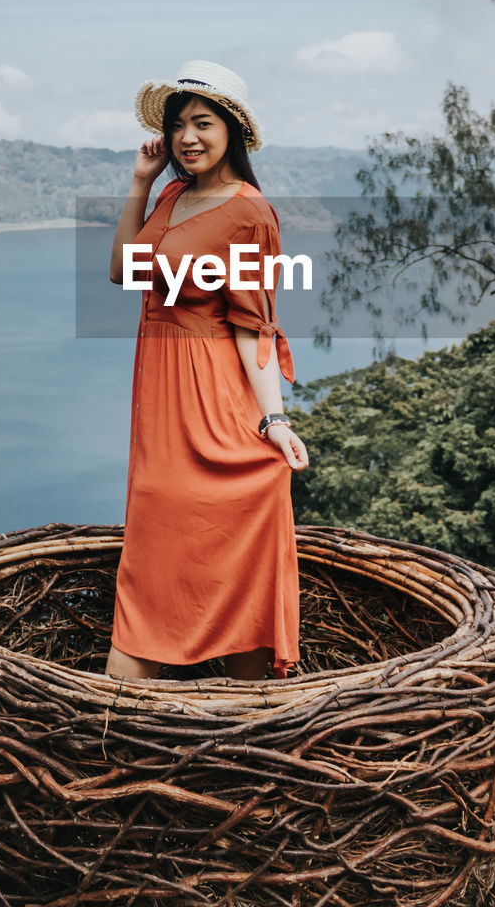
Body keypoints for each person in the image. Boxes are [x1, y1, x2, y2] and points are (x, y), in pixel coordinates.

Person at [104, 60, 309, 683]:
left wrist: (273, 418)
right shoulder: (171, 192)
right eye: (178, 127)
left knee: (215, 524)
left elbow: (254, 325)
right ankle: (149, 675)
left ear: (233, 131)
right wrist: (141, 182)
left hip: (210, 395)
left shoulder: (250, 214)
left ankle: (246, 693)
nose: (187, 138)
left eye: (203, 123)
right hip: (162, 397)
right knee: (156, 527)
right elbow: (123, 271)